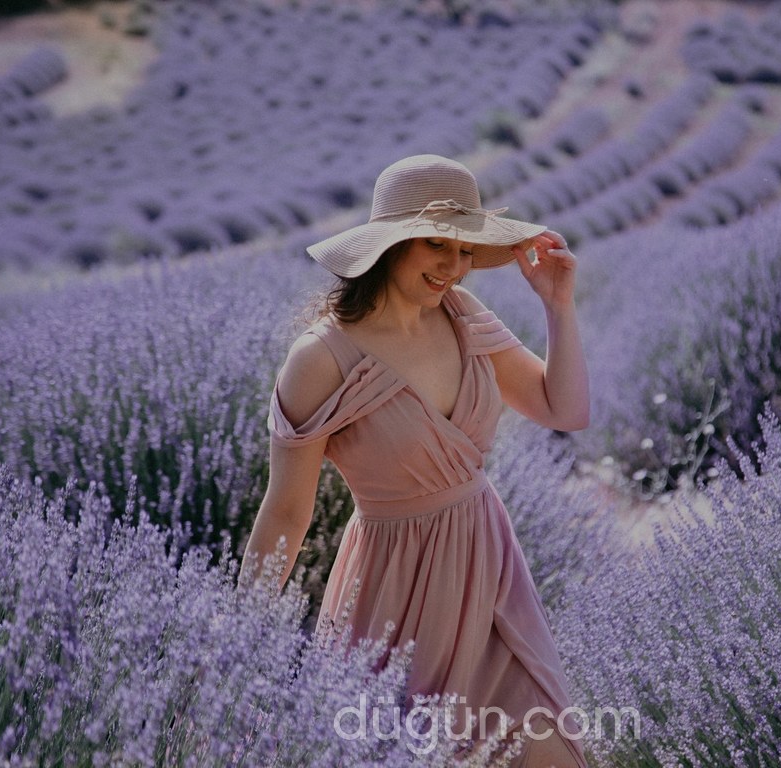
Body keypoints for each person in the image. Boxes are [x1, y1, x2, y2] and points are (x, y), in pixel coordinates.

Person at [239, 154, 589, 767]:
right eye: (436, 244)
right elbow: (287, 514)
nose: (454, 267)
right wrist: (239, 638)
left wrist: (558, 306)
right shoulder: (320, 358)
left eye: (465, 249)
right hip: (394, 595)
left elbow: (565, 409)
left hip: (491, 578)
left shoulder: (463, 315)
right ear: (389, 243)